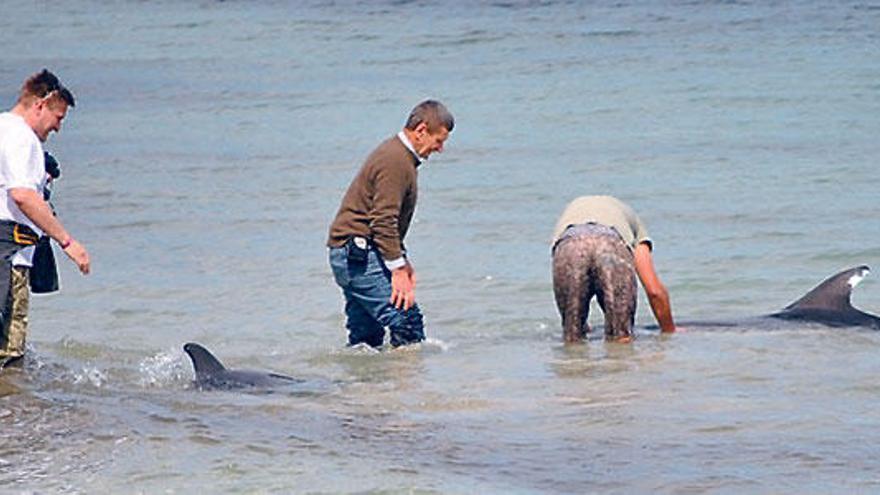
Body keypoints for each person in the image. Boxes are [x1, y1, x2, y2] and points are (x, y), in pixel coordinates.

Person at [327, 100, 453, 348]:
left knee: (367, 341)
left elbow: (382, 220)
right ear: (421, 130)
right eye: (439, 141)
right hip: (358, 254)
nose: (440, 149)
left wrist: (402, 261)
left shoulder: (398, 156)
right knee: (406, 321)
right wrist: (397, 269)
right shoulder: (396, 160)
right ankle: (408, 385)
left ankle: (370, 386)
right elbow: (383, 220)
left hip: (352, 252)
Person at [0, 69, 90, 365]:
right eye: (58, 118)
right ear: (40, 104)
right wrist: (67, 242)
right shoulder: (21, 138)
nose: (58, 128)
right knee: (9, 354)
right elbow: (23, 196)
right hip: (8, 255)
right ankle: (12, 411)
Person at [550, 195, 675, 342]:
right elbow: (654, 291)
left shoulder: (569, 214)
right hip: (610, 243)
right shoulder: (636, 225)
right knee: (621, 339)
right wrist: (669, 331)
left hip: (569, 245)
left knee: (572, 339)